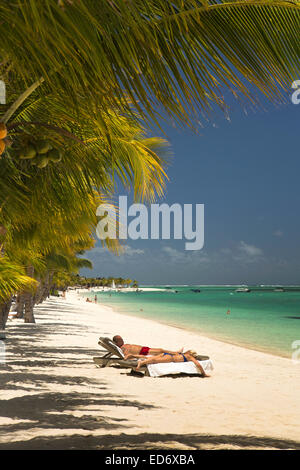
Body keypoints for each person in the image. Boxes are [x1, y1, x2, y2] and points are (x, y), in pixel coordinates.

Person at [135, 350, 209, 376]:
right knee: (155, 361)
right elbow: (198, 364)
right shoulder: (190, 357)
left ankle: (139, 358)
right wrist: (204, 373)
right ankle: (141, 363)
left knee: (152, 358)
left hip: (167, 355)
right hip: (170, 358)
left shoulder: (184, 354)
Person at [112, 335, 183, 360]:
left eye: (122, 339)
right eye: (120, 340)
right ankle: (176, 353)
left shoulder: (124, 346)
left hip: (144, 349)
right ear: (116, 343)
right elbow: (126, 356)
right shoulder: (123, 348)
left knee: (160, 352)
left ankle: (175, 354)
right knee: (161, 350)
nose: (122, 341)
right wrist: (137, 356)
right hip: (142, 351)